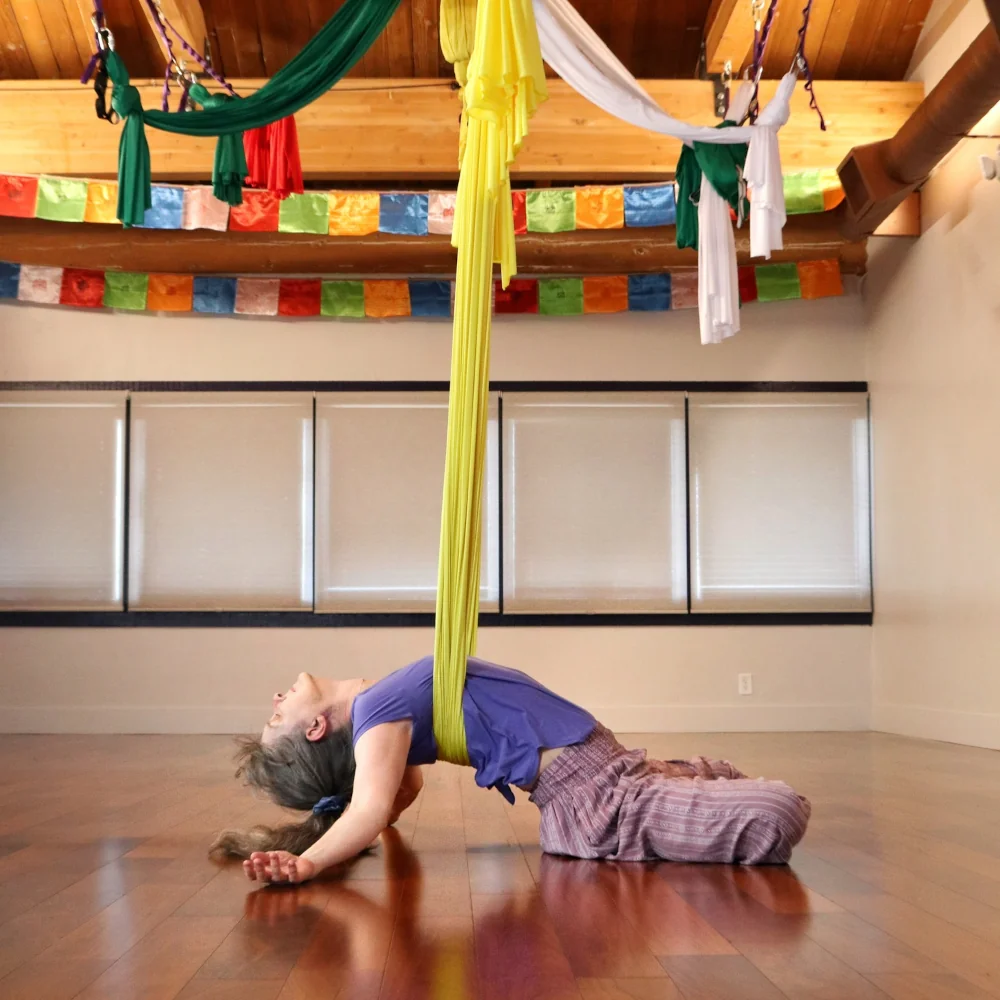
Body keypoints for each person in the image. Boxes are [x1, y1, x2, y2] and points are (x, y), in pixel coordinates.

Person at [211, 656, 811, 883]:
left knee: (725, 774)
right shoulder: (375, 710)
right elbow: (372, 807)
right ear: (315, 728)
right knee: (779, 810)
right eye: (277, 718)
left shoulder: (386, 719)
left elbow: (398, 790)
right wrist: (312, 859)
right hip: (595, 798)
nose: (275, 700)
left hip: (613, 769)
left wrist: (374, 816)